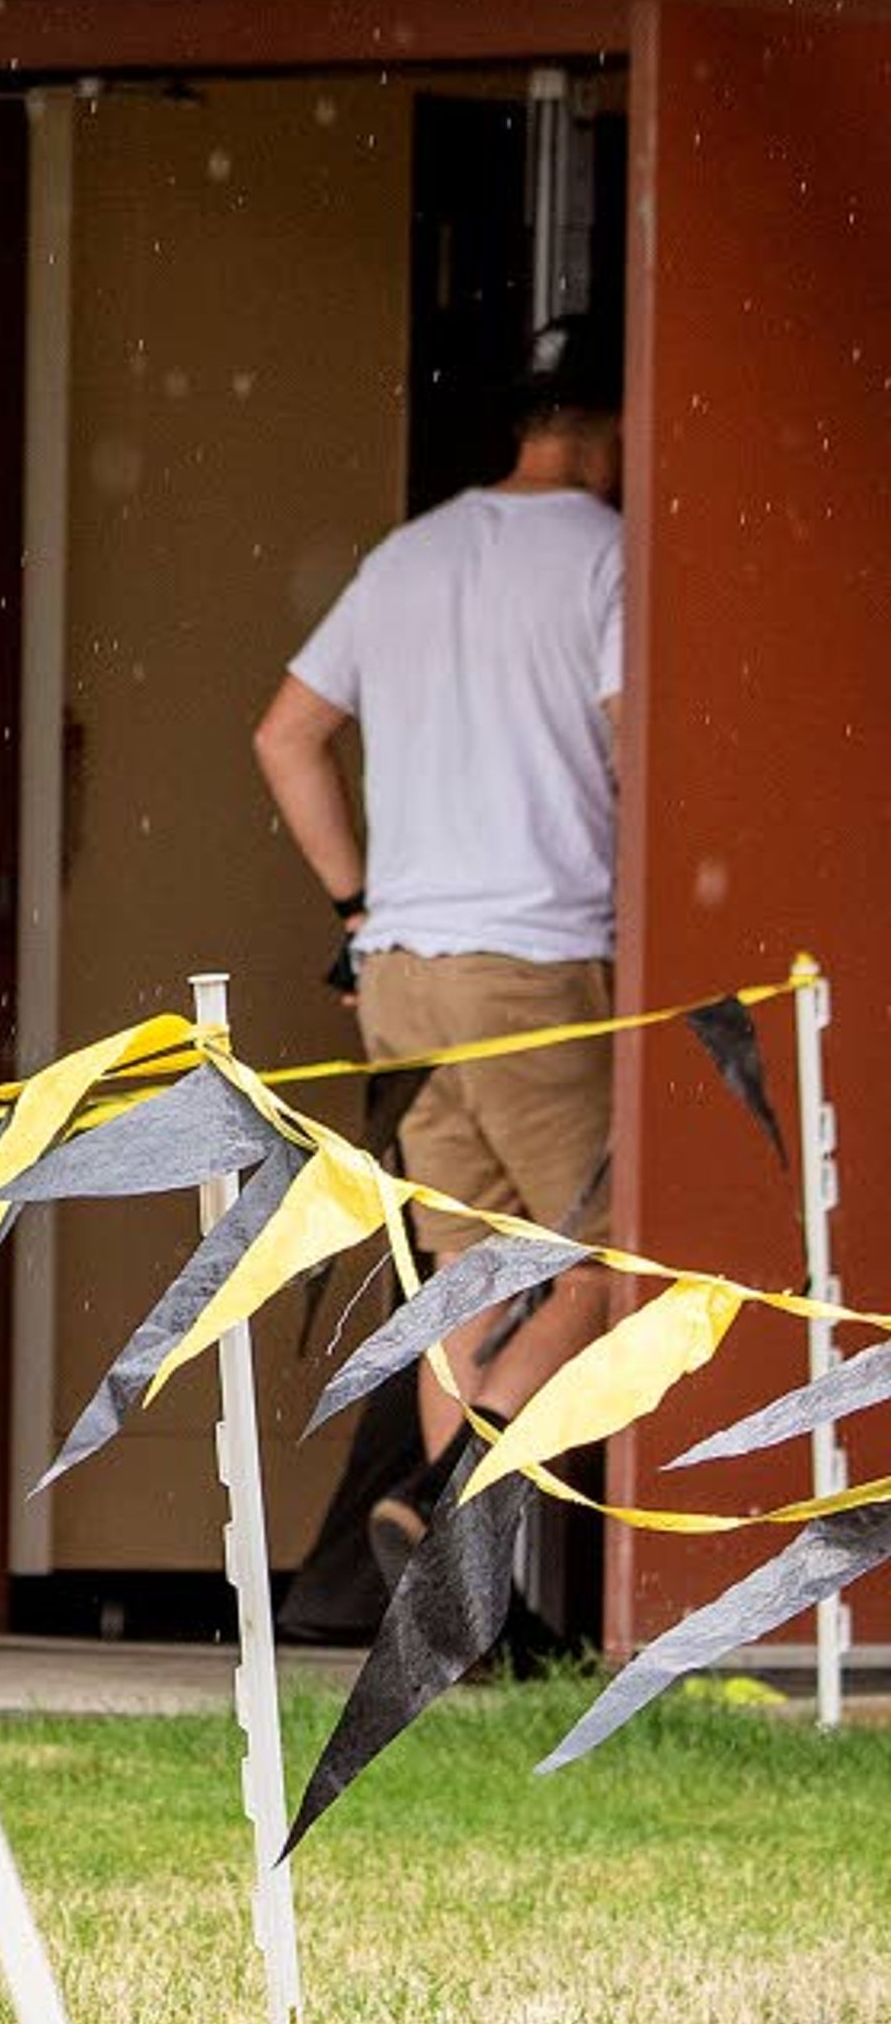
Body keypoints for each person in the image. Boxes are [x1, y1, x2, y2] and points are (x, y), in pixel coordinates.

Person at [254, 312, 626, 1563]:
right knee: (620, 1261)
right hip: (537, 966)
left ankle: (452, 1609)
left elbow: (286, 734)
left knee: (464, 1272)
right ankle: (462, 1475)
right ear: (606, 428)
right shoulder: (611, 559)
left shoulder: (409, 557)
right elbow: (635, 750)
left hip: (400, 972)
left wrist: (359, 910)